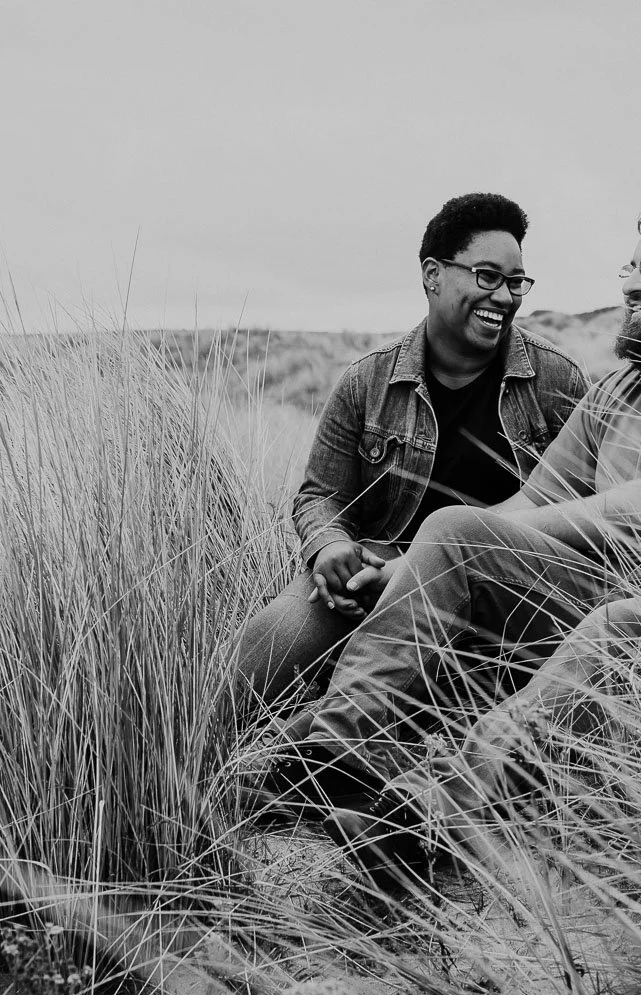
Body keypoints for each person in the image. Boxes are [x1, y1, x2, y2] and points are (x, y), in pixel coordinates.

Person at [255, 196, 641, 882]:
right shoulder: (628, 386)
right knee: (457, 531)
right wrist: (414, 559)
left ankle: (435, 812)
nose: (630, 283)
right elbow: (534, 501)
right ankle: (335, 753)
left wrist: (479, 542)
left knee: (617, 625)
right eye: (628, 267)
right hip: (616, 592)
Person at [232, 193, 588, 711]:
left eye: (515, 282)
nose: (506, 297)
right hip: (368, 574)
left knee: (406, 701)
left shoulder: (556, 380)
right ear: (433, 274)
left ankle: (327, 744)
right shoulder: (368, 381)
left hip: (496, 585)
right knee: (270, 642)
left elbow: (579, 499)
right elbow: (320, 494)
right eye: (487, 276)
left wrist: (414, 568)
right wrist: (330, 546)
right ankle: (193, 770)